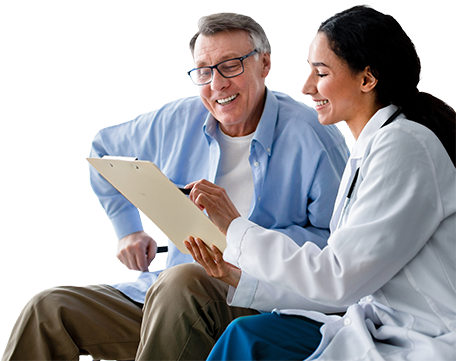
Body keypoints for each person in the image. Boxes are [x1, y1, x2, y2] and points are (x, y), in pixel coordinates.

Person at [3, 12, 349, 361]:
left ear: (264, 64)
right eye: (203, 71)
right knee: (50, 310)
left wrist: (243, 238)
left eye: (231, 65)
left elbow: (338, 249)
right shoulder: (178, 120)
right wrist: (128, 231)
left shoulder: (314, 138)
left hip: (258, 299)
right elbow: (103, 152)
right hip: (167, 297)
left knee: (182, 283)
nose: (217, 84)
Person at [185, 5, 456, 361]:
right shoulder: (374, 145)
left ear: (367, 78)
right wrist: (239, 278)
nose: (307, 88)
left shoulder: (404, 145)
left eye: (321, 72)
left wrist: (236, 228)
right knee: (248, 335)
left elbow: (338, 280)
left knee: (248, 340)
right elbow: (342, 281)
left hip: (425, 337)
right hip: (379, 324)